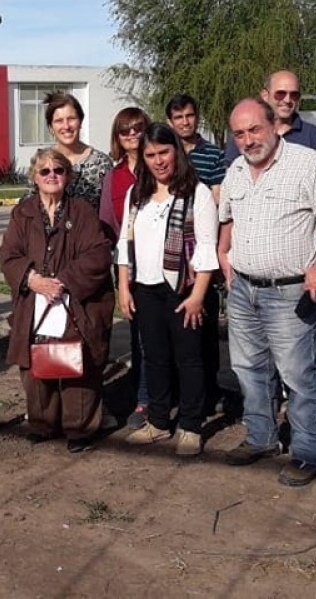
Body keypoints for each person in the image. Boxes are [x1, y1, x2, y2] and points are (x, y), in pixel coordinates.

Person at [218, 99, 316, 487]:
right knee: (248, 369)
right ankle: (261, 437)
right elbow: (227, 217)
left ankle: (308, 452)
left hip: (288, 292)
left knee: (298, 374)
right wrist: (224, 256)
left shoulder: (307, 164)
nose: (247, 140)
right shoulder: (237, 171)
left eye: (254, 129)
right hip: (243, 289)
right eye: (239, 133)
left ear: (274, 125)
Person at [0, 148, 115, 453]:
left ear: (68, 176)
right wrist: (32, 280)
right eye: (45, 171)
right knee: (36, 364)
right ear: (34, 177)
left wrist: (63, 281)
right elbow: (9, 255)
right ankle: (42, 423)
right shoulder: (22, 213)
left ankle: (79, 429)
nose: (52, 176)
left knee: (77, 363)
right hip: (34, 300)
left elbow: (99, 254)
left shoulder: (82, 212)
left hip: (74, 301)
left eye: (58, 171)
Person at [117, 123, 219, 456]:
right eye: (151, 155)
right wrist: (124, 287)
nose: (159, 160)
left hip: (183, 290)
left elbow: (206, 247)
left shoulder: (197, 194)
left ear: (175, 150)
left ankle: (191, 425)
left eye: (164, 152)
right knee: (155, 358)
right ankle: (158, 422)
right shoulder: (137, 195)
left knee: (189, 359)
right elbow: (124, 241)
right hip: (145, 289)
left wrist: (197, 295)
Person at [167, 93, 233, 418]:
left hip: (203, 248)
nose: (184, 122)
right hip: (172, 251)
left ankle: (210, 391)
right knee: (178, 327)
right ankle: (183, 393)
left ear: (197, 117)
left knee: (205, 322)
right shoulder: (166, 153)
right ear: (170, 121)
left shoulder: (213, 155)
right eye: (178, 117)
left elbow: (219, 201)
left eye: (189, 116)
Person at [97, 107, 152, 429]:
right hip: (129, 266)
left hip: (163, 265)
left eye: (137, 128)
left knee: (164, 337)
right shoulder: (113, 177)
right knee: (140, 338)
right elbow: (107, 222)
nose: (132, 135)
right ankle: (142, 398)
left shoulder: (159, 165)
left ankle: (165, 393)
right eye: (125, 130)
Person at [223, 70, 316, 165]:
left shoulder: (313, 136)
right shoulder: (246, 133)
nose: (287, 100)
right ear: (265, 95)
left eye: (294, 95)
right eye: (280, 94)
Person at [40, 91, 111, 211]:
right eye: (59, 121)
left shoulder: (101, 163)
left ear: (80, 122)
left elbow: (109, 211)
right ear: (51, 128)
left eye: (71, 119)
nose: (66, 126)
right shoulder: (42, 161)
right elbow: (28, 206)